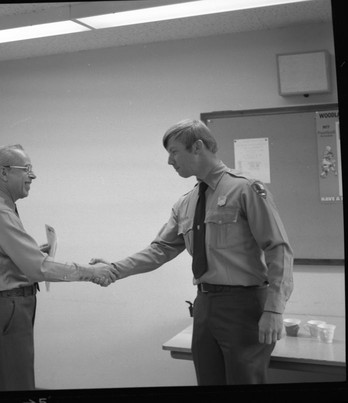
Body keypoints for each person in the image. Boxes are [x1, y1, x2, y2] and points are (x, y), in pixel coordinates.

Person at [91, 119, 293, 385]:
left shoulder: (246, 189)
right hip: (204, 305)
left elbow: (278, 248)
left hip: (244, 306)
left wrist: (274, 310)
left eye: (174, 152)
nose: (169, 161)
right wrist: (114, 269)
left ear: (197, 147)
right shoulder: (186, 202)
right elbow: (160, 250)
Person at [0, 144, 118, 391]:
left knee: (16, 384)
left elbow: (2, 255)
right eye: (26, 169)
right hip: (4, 312)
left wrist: (30, 251)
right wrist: (91, 272)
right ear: (4, 173)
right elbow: (39, 269)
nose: (33, 176)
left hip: (5, 311)